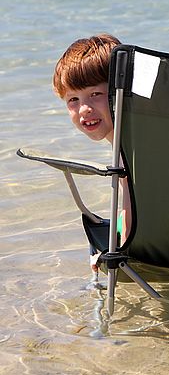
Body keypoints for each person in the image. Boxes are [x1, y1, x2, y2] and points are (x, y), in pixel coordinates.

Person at [53, 34, 131, 268]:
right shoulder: (140, 135)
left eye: (95, 94)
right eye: (73, 100)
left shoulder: (128, 151)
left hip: (165, 252)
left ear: (121, 91)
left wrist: (118, 254)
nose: (84, 109)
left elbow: (132, 211)